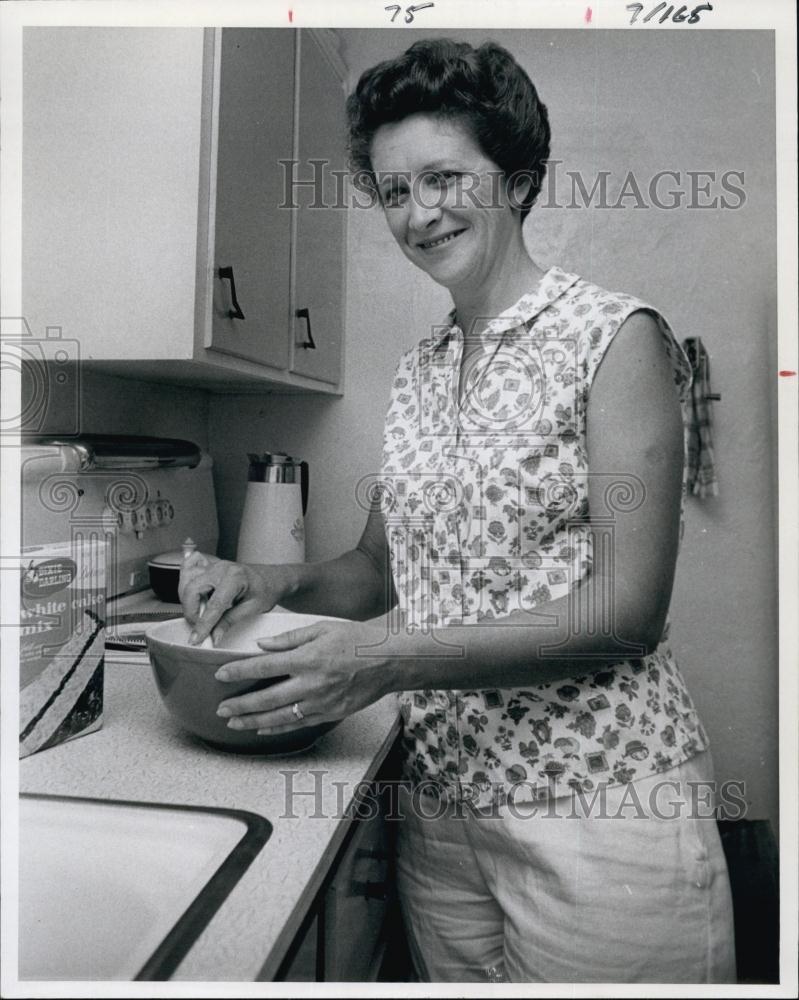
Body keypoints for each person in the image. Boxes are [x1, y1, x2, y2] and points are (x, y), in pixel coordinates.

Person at [180, 38, 736, 984]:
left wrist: (383, 660)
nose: (419, 212)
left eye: (444, 177)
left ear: (515, 180)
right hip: (441, 808)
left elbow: (624, 611)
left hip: (596, 809)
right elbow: (378, 573)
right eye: (394, 191)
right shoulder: (421, 368)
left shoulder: (614, 338)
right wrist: (261, 579)